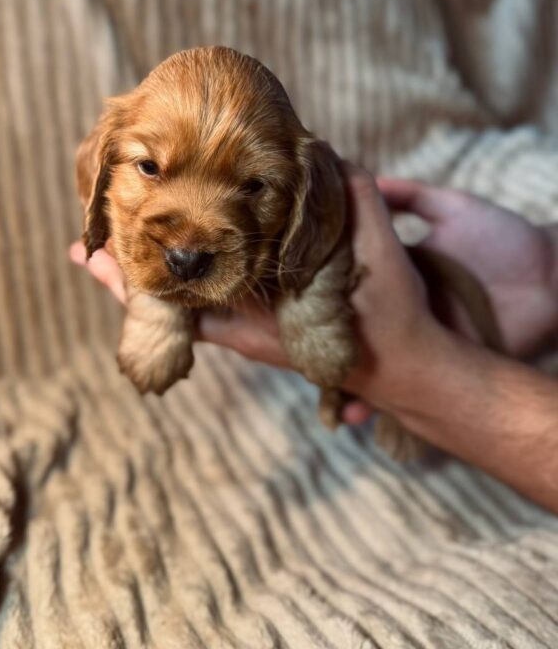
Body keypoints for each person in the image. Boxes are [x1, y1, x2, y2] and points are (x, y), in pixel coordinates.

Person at [70, 164, 558, 513]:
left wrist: (409, 376)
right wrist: (544, 272)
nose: (186, 246)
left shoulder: (319, 189)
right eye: (150, 167)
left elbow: (327, 248)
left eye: (255, 183)